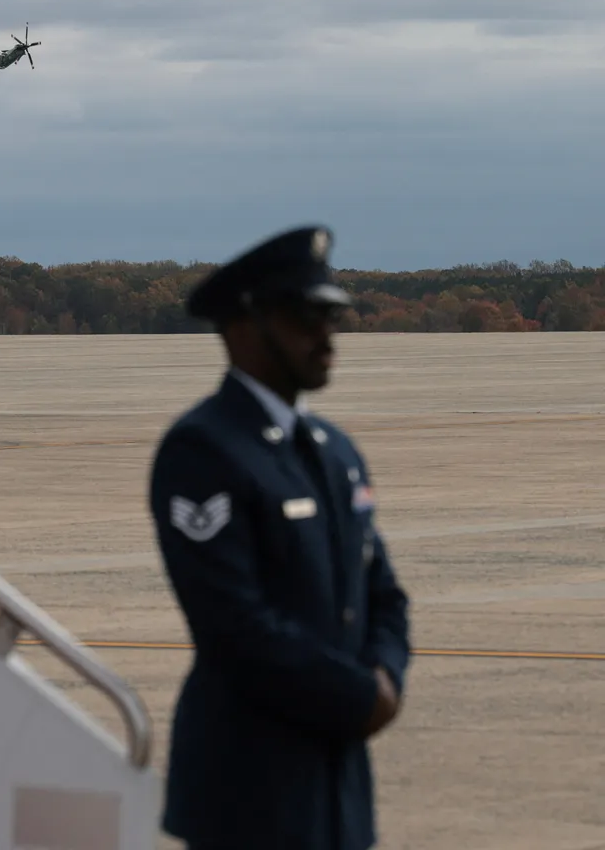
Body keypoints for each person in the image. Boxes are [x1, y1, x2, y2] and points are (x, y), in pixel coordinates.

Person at [147, 225, 411, 850]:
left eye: (332, 316)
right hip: (248, 793)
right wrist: (357, 696)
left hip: (335, 789)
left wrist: (386, 679)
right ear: (244, 326)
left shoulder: (334, 452)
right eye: (305, 317)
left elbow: (384, 592)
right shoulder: (205, 450)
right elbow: (234, 626)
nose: (327, 336)